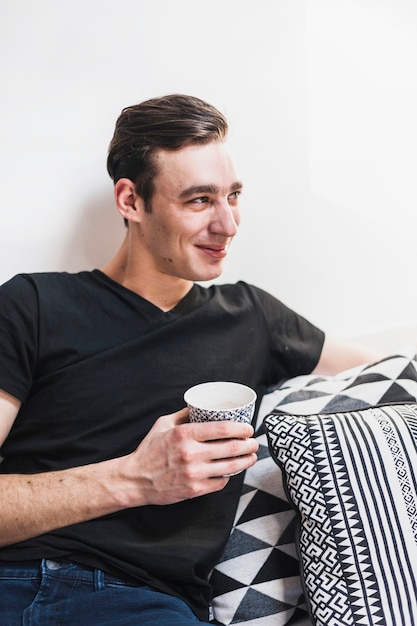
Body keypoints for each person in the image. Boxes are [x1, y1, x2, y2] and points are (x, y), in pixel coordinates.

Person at [0, 94, 381, 626]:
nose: (228, 225)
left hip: (147, 604)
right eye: (200, 200)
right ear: (131, 200)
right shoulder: (33, 304)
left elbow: (390, 375)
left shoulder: (254, 317)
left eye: (233, 196)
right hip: (12, 581)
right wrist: (134, 478)